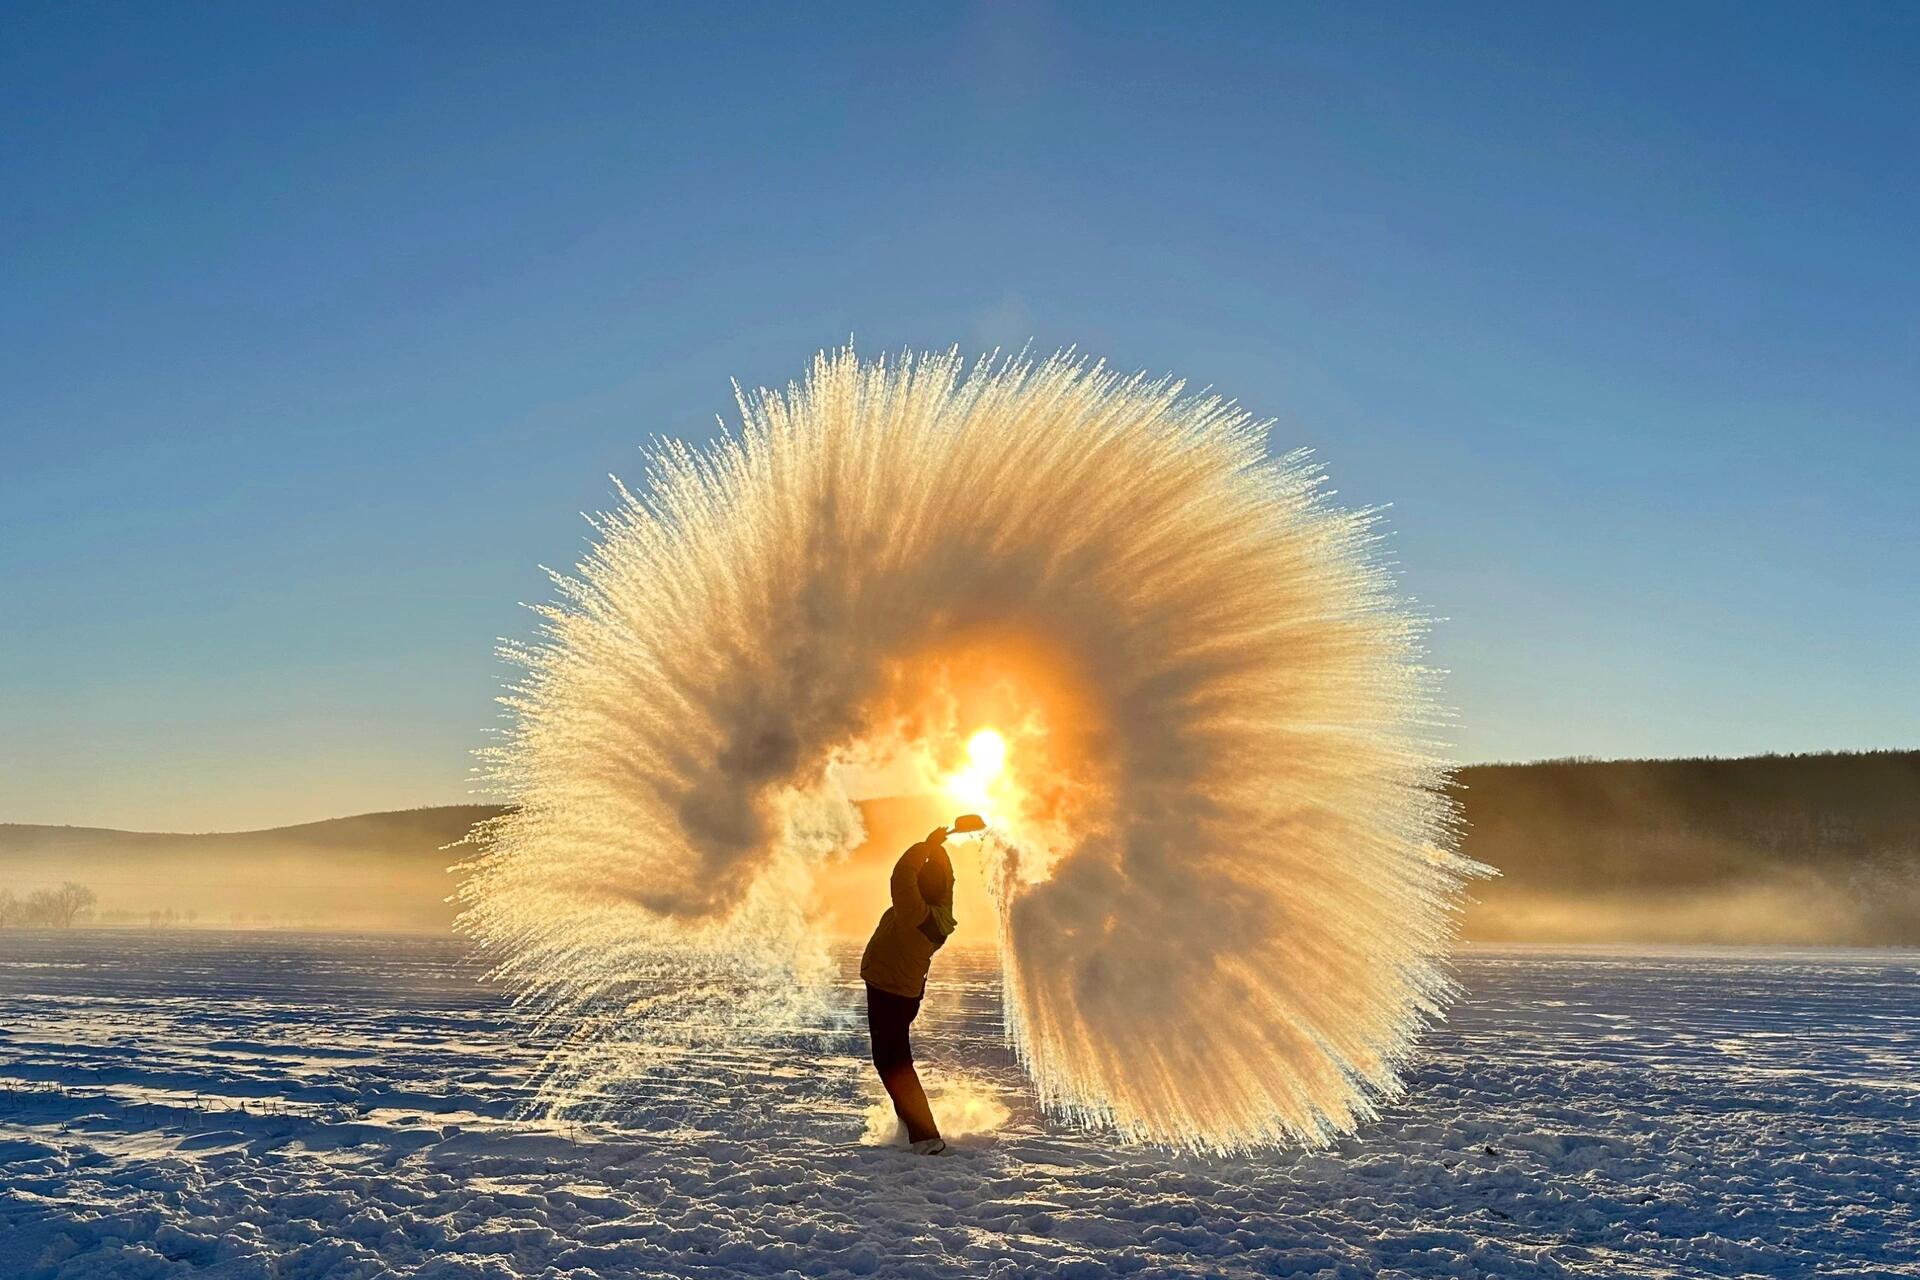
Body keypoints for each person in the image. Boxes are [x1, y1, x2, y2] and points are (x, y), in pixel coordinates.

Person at [859, 824, 958, 1155]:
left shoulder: (913, 913)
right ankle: (913, 1127)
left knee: (893, 1063)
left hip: (890, 993)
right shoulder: (940, 913)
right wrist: (938, 851)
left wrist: (924, 846)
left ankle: (925, 1135)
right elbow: (947, 884)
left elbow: (901, 876)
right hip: (901, 992)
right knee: (893, 1061)